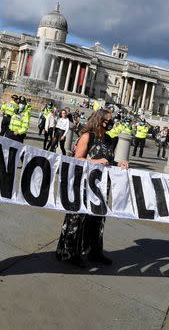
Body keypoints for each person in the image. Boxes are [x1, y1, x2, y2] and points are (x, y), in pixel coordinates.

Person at [56, 109, 128, 266]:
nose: (110, 123)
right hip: (83, 183)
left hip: (100, 186)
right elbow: (78, 159)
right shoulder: (88, 136)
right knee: (78, 218)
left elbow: (107, 160)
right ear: (99, 119)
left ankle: (94, 252)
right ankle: (69, 252)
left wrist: (118, 163)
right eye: (107, 120)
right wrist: (96, 162)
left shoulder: (109, 139)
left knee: (97, 219)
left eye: (111, 120)